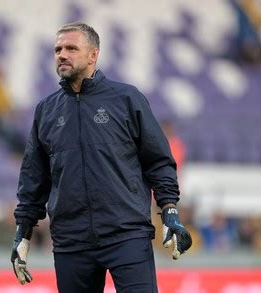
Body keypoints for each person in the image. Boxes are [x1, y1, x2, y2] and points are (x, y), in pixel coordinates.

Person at [11, 22, 192, 292]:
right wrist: (22, 233)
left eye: (71, 48)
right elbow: (33, 178)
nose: (62, 54)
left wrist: (170, 211)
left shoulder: (127, 99)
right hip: (71, 241)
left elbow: (158, 161)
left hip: (127, 234)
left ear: (93, 55)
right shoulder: (46, 111)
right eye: (58, 49)